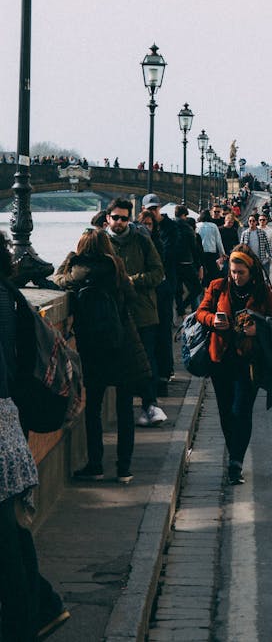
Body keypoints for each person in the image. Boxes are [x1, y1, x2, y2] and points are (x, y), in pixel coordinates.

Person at [0, 232, 70, 641]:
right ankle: (42, 605)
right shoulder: (10, 296)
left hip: (4, 422)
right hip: (12, 420)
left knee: (6, 537)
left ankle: (26, 620)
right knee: (9, 530)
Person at [54, 228, 150, 484]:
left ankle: (95, 465)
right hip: (122, 344)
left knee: (93, 408)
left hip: (94, 348)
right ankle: (124, 469)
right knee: (125, 409)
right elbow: (131, 299)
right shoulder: (117, 267)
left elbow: (57, 279)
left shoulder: (78, 271)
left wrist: (70, 257)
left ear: (82, 247)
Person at [196, 247, 272, 485]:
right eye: (232, 271)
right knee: (225, 411)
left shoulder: (262, 291)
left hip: (249, 361)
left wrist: (258, 329)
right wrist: (213, 320)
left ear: (251, 271)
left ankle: (236, 462)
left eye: (240, 272)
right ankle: (235, 453)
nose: (235, 276)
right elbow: (200, 312)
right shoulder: (217, 286)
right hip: (220, 359)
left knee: (241, 410)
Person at [105, 198, 167, 427]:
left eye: (123, 218)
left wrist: (132, 281)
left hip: (142, 311)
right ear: (107, 219)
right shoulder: (101, 243)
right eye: (115, 218)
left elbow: (158, 272)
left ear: (129, 219)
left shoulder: (141, 240)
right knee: (119, 362)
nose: (119, 222)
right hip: (114, 314)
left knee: (145, 360)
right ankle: (130, 409)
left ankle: (149, 405)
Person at [142, 194, 195, 390]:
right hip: (148, 289)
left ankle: (164, 373)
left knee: (163, 329)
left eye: (155, 209)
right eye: (149, 209)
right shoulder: (141, 229)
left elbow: (169, 255)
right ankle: (151, 375)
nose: (152, 213)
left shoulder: (171, 228)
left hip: (165, 286)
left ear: (159, 208)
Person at [197, 209, 227, 284]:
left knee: (202, 271)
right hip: (211, 252)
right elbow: (218, 241)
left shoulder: (197, 226)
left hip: (201, 252)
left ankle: (204, 288)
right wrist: (222, 253)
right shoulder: (214, 226)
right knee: (212, 272)